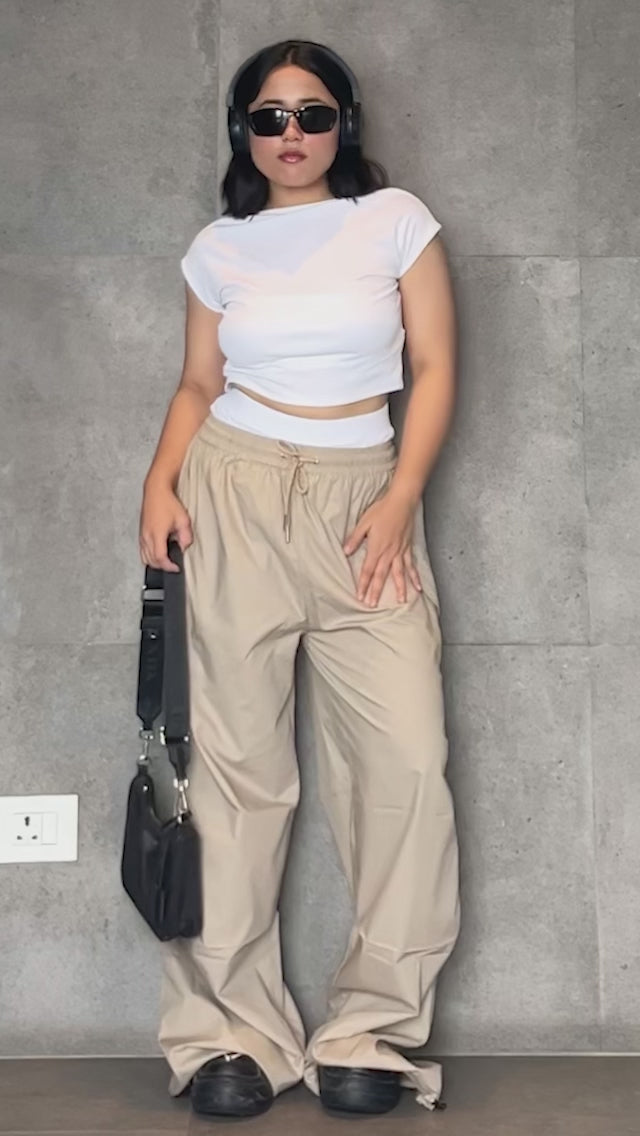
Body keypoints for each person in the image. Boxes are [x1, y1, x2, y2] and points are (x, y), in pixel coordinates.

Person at [139, 37, 460, 1121]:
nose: (290, 135)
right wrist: (158, 482)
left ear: (343, 124)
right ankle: (230, 1036)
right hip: (230, 489)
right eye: (268, 116)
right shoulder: (218, 248)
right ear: (243, 131)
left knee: (406, 763)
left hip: (363, 497)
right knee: (236, 772)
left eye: (312, 114)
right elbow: (198, 381)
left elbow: (434, 366)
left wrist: (402, 495)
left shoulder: (395, 220)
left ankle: (372, 1032)